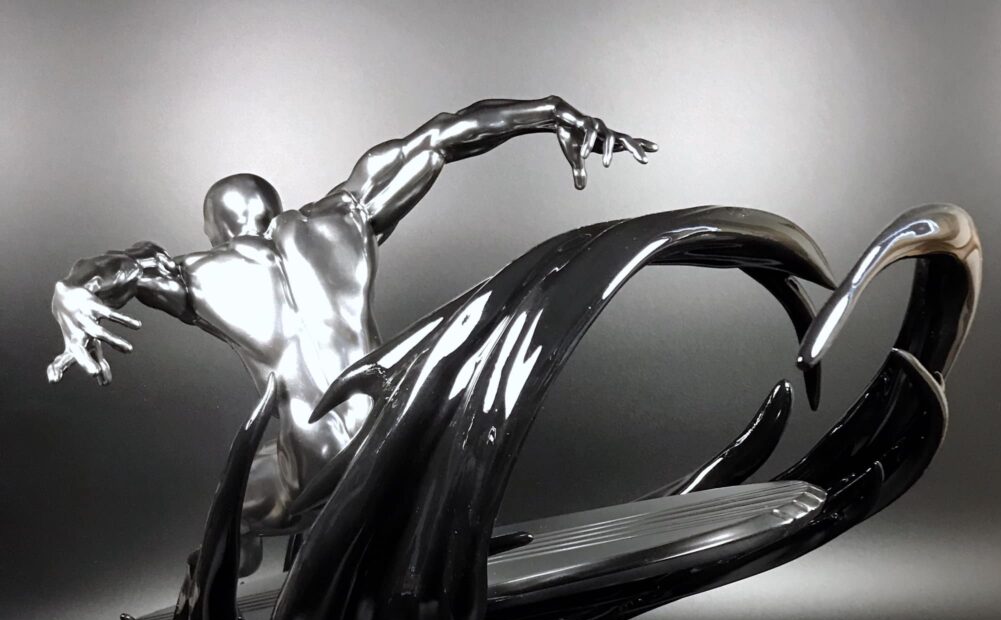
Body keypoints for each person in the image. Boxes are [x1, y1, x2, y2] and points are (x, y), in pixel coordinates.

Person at [47, 96, 657, 573]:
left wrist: (71, 292)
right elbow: (443, 136)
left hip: (315, 462)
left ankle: (214, 597)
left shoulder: (199, 274)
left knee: (231, 506)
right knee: (295, 487)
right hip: (397, 429)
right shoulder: (344, 217)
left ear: (217, 231)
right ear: (271, 208)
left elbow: (125, 266)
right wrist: (549, 113)